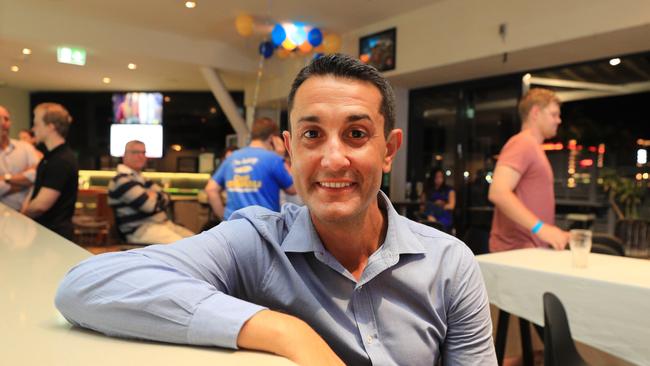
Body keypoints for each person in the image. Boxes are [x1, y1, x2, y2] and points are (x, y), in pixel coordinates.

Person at [55, 54, 497, 365]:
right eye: (312, 135)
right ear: (289, 151)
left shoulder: (449, 263)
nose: (333, 158)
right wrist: (288, 332)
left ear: (389, 150)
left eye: (357, 134)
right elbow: (85, 286)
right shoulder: (255, 243)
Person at [488, 88, 570, 252]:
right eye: (553, 114)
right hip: (515, 250)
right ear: (535, 112)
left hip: (526, 250)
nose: (558, 120)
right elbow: (498, 192)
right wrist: (541, 228)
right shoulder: (523, 143)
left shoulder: (533, 147)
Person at [205, 117, 296, 220]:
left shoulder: (232, 158)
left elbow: (211, 189)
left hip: (232, 227)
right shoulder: (273, 159)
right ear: (273, 139)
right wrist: (282, 156)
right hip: (264, 227)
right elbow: (293, 189)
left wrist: (225, 217)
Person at [108, 140, 194, 244]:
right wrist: (155, 196)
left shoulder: (142, 179)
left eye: (143, 152)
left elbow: (167, 197)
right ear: (124, 156)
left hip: (162, 225)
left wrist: (153, 196)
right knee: (184, 247)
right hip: (140, 230)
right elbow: (149, 206)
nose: (141, 156)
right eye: (135, 152)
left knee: (197, 242)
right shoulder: (121, 180)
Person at [22, 103, 78, 241]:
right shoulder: (50, 156)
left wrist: (21, 216)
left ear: (51, 126)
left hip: (55, 237)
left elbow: (40, 205)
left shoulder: (61, 160)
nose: (33, 129)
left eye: (36, 123)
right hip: (47, 234)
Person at [0, 106, 41, 210]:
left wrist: (6, 178)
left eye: (6, 119)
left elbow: (38, 174)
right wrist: (24, 182)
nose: (3, 123)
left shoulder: (25, 148)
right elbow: (31, 178)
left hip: (26, 218)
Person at [419, 167, 455, 232]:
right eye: (437, 177)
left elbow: (451, 206)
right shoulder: (427, 190)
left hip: (443, 213)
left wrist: (440, 205)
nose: (439, 179)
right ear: (433, 178)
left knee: (431, 207)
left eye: (441, 177)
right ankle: (431, 220)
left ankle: (433, 221)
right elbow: (422, 206)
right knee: (429, 206)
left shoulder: (449, 190)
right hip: (429, 213)